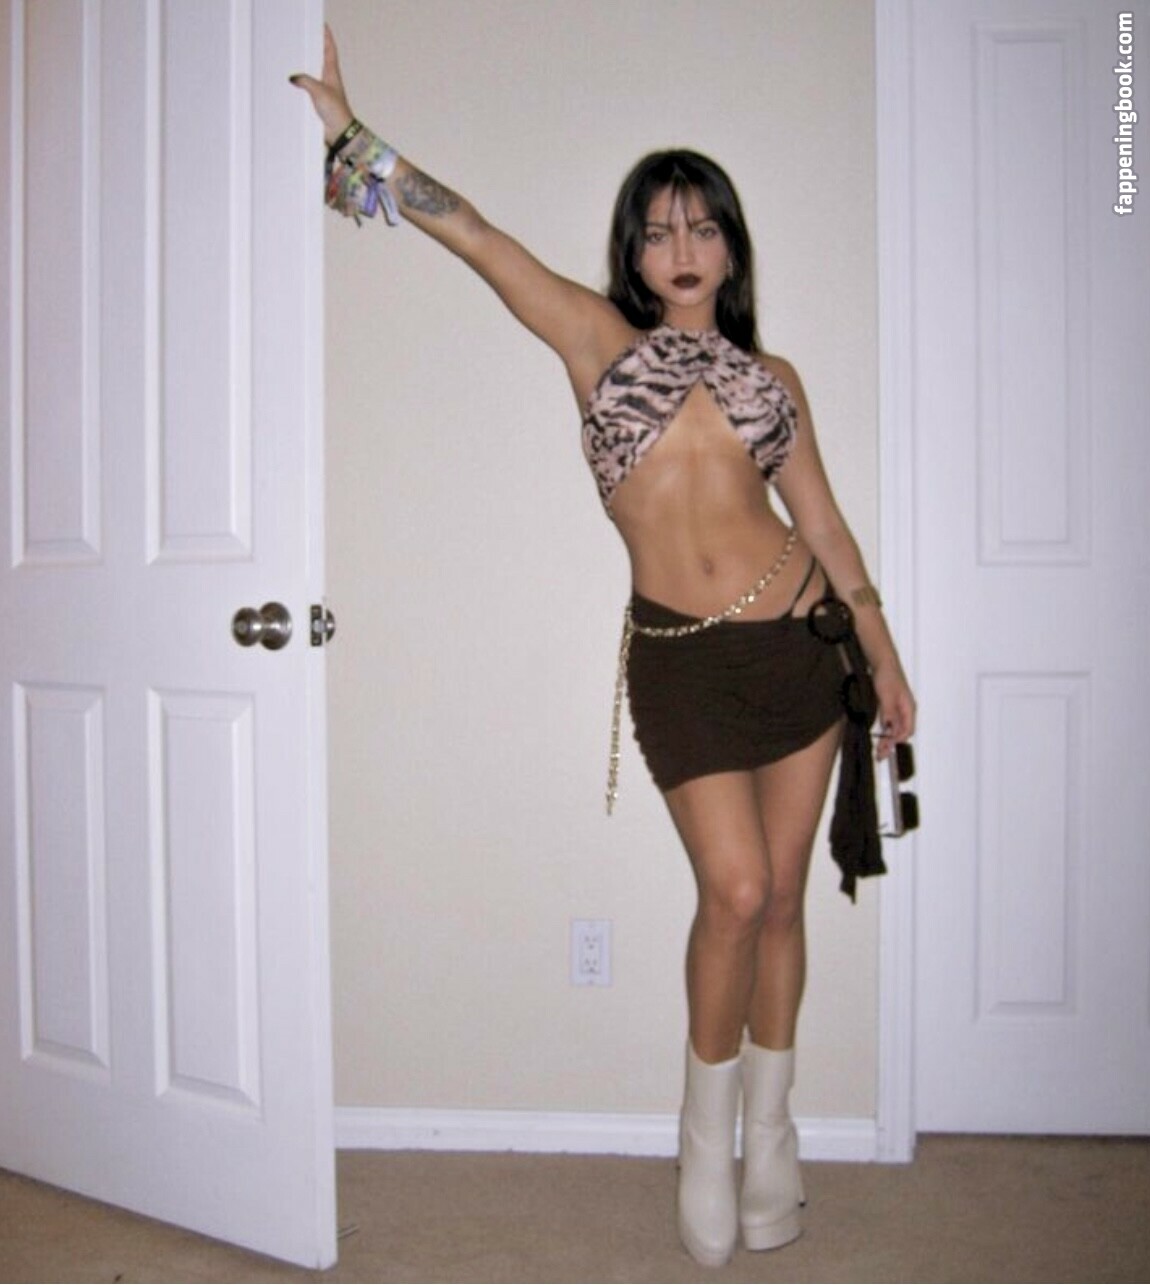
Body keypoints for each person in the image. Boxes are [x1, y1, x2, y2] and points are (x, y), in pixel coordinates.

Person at [293, 26, 915, 1268]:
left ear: (730, 247)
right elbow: (480, 237)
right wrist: (356, 140)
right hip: (682, 661)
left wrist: (884, 653)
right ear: (632, 250)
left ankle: (772, 1137)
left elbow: (827, 525)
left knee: (784, 898)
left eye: (703, 227)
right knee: (732, 892)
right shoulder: (595, 342)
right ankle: (703, 1140)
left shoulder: (774, 376)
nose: (681, 248)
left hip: (805, 649)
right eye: (659, 229)